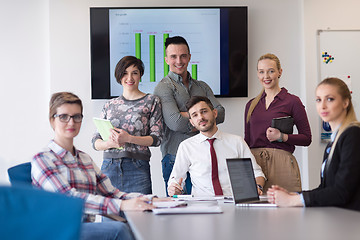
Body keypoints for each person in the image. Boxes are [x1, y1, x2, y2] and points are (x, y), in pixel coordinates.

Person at [31, 92, 156, 240]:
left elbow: (112, 194)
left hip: (84, 228)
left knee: (137, 225)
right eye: (64, 117)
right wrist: (123, 206)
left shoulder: (84, 159)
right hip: (57, 231)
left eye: (76, 117)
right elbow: (70, 200)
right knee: (118, 229)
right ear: (52, 120)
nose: (71, 123)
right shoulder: (42, 159)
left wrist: (151, 200)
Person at [267, 77, 360, 211]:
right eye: (318, 100)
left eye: (330, 99)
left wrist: (293, 200)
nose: (322, 106)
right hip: (338, 219)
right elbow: (326, 189)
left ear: (345, 102)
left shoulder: (353, 135)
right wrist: (294, 195)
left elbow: (341, 192)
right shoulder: (333, 143)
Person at [154, 36, 225, 195]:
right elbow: (175, 123)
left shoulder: (202, 86)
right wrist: (205, 118)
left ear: (190, 57)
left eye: (183, 55)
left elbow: (220, 113)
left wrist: (187, 115)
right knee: (178, 213)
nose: (179, 60)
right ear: (166, 59)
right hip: (174, 157)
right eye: (173, 56)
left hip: (203, 158)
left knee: (205, 211)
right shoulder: (163, 88)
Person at [92, 56, 163, 194]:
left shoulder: (151, 101)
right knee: (109, 215)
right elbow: (95, 141)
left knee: (140, 214)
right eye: (125, 73)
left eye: (134, 73)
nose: (129, 77)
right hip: (109, 167)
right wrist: (109, 144)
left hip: (138, 168)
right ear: (119, 76)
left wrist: (129, 138)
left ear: (140, 75)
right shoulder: (109, 105)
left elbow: (157, 138)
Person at [168, 96, 265, 197]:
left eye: (204, 111)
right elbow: (175, 180)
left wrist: (257, 187)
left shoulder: (237, 142)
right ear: (192, 122)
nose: (200, 117)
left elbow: (257, 173)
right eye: (195, 115)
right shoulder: (186, 146)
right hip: (201, 206)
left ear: (214, 113)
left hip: (233, 204)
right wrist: (173, 188)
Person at [244, 53, 312, 192]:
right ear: (257, 74)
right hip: (256, 167)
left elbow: (307, 138)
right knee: (255, 209)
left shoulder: (292, 101)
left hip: (283, 165)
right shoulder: (251, 105)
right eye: (261, 72)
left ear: (279, 72)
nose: (266, 76)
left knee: (287, 211)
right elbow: (247, 141)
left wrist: (282, 137)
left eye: (271, 71)